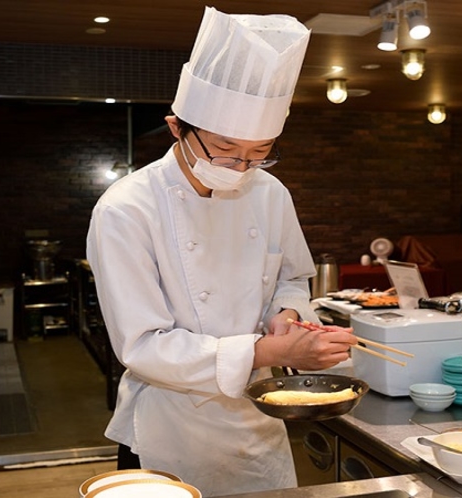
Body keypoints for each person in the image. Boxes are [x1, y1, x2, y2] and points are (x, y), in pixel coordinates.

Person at [85, 7, 357, 496]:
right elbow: (143, 345)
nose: (240, 167)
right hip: (169, 427)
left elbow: (292, 277)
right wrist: (272, 351)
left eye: (259, 152)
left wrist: (286, 315)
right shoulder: (126, 208)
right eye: (224, 149)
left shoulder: (270, 192)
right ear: (176, 128)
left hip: (257, 418)